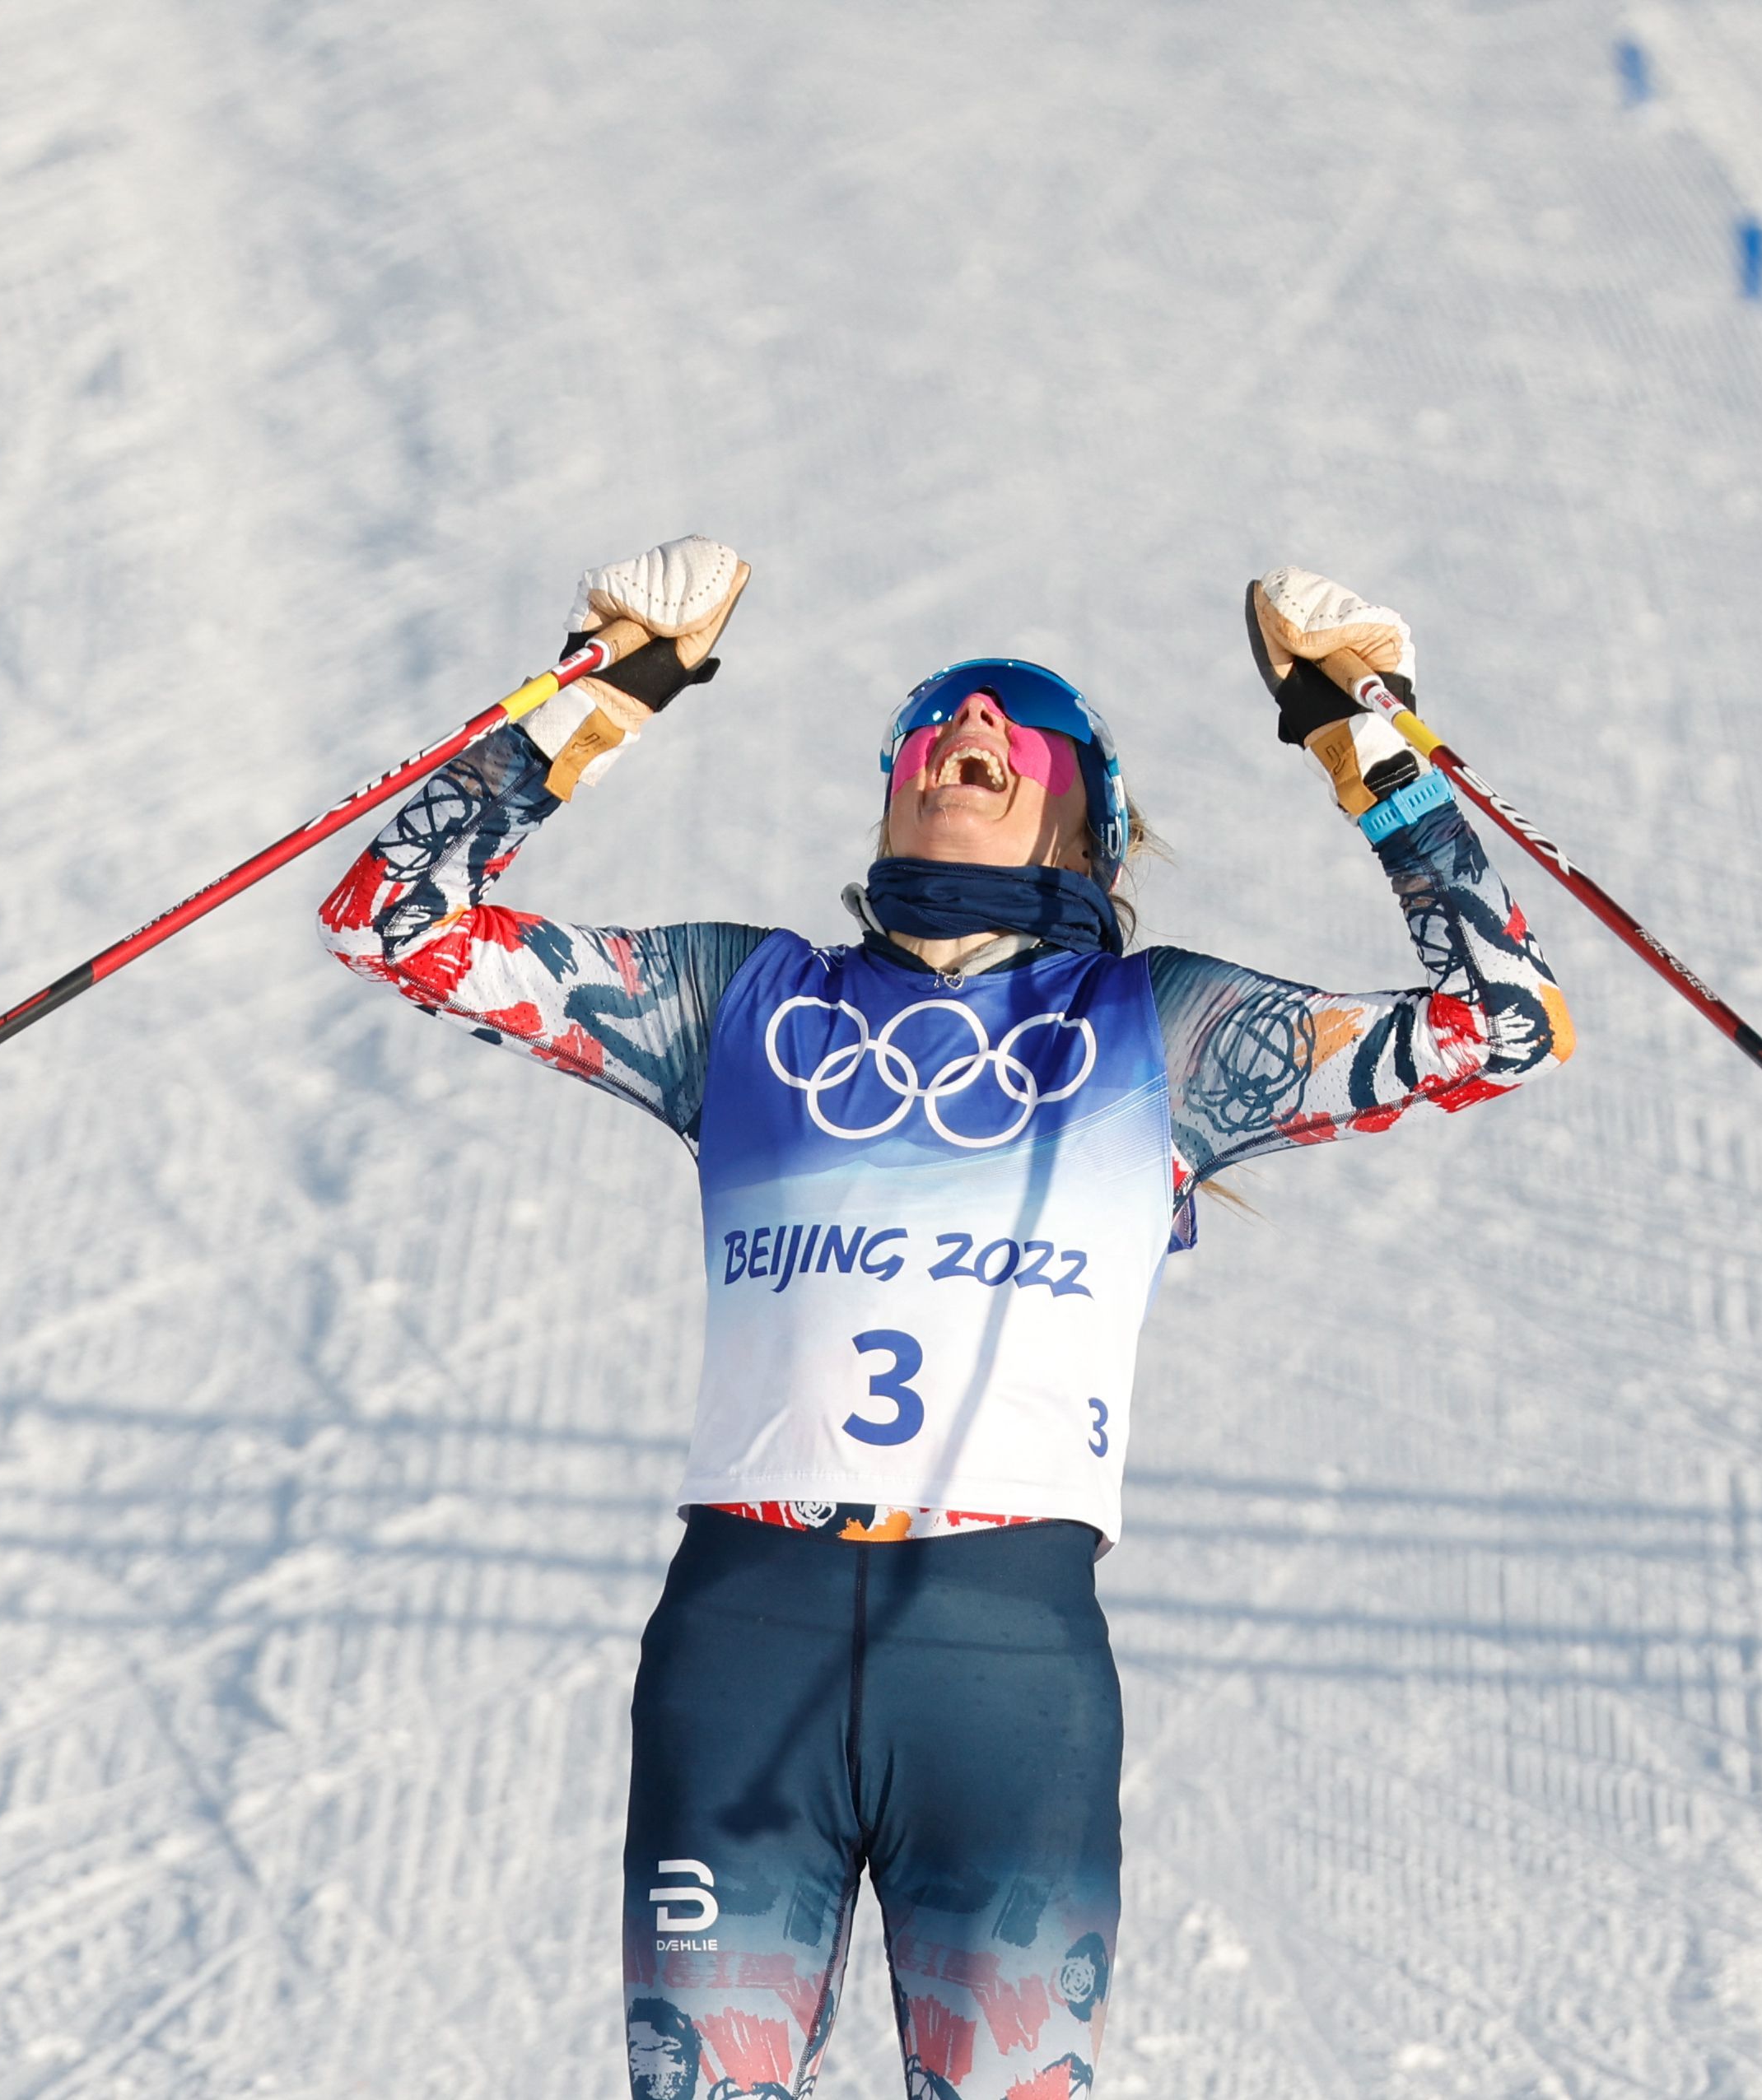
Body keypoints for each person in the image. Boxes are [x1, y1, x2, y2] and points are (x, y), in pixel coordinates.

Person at [318, 537, 1572, 2099]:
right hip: (740, 1643)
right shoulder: (739, 1004)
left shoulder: (1160, 1031)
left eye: (1016, 728)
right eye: (929, 729)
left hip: (1003, 1665)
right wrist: (612, 682)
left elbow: (1496, 1022)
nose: (964, 730)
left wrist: (1361, 730)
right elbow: (393, 917)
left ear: (1085, 821)